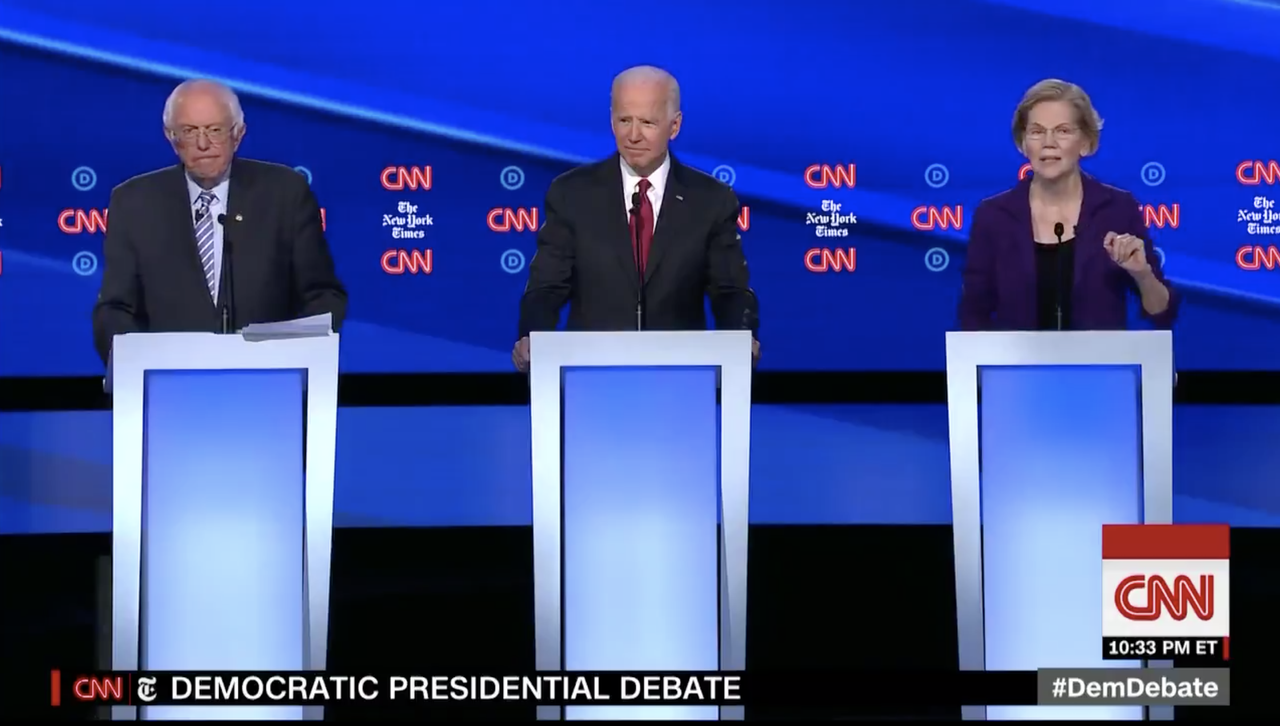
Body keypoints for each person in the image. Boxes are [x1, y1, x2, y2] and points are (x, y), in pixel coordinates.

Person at [512, 65, 759, 372]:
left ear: (674, 126)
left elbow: (730, 290)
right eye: (624, 120)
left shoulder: (710, 200)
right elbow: (546, 285)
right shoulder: (571, 193)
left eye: (647, 122)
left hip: (680, 379)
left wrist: (740, 336)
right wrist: (532, 334)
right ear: (611, 120)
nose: (633, 135)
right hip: (590, 377)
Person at [91, 79, 346, 365]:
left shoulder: (285, 193)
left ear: (238, 134)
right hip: (169, 388)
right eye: (189, 131)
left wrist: (293, 356)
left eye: (215, 130)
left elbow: (323, 296)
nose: (202, 144)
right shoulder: (134, 202)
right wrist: (140, 364)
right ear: (170, 136)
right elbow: (114, 309)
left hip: (270, 383)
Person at [957, 79, 1179, 331]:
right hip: (1016, 368)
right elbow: (973, 315)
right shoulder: (994, 216)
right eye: (1037, 131)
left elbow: (1162, 313)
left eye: (1063, 131)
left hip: (1100, 368)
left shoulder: (1118, 209)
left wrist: (1142, 274)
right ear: (1023, 143)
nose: (1048, 142)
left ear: (1085, 143)